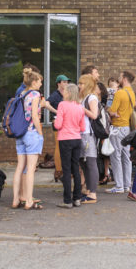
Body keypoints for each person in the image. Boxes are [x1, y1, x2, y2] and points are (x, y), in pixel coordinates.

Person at [11, 71, 44, 210]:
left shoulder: (21, 94)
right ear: (34, 82)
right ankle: (29, 200)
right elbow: (35, 117)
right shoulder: (35, 95)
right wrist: (41, 133)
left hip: (20, 134)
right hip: (31, 133)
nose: (41, 84)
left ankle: (15, 199)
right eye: (40, 81)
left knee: (20, 167)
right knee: (30, 169)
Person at [53, 83, 85, 208]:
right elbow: (82, 127)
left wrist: (56, 120)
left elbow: (58, 125)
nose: (63, 93)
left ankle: (67, 200)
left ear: (69, 93)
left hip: (65, 139)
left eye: (65, 91)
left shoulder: (62, 105)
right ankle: (77, 198)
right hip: (77, 138)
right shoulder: (80, 107)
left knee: (66, 170)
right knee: (76, 168)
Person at [107, 71, 136, 194]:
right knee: (126, 157)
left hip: (117, 127)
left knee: (116, 156)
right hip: (127, 128)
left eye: (120, 76)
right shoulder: (132, 93)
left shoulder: (120, 93)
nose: (118, 78)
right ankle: (126, 185)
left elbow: (111, 110)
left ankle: (119, 186)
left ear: (124, 79)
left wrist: (111, 111)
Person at [78, 74, 100, 204]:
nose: (79, 86)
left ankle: (92, 193)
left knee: (90, 162)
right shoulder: (82, 97)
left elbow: (94, 115)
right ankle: (88, 190)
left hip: (88, 134)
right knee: (84, 163)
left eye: (81, 84)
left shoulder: (91, 97)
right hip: (81, 133)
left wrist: (81, 108)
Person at [46, 74, 70, 181]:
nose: (66, 84)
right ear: (58, 83)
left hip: (67, 123)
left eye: (67, 82)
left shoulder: (68, 94)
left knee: (66, 146)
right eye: (64, 82)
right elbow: (45, 103)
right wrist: (57, 112)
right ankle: (59, 170)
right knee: (58, 146)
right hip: (57, 122)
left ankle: (65, 170)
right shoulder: (55, 95)